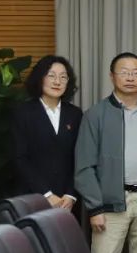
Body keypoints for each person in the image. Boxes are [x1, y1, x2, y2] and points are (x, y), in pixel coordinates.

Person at [74, 52, 137, 253]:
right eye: (124, 72)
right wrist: (95, 208)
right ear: (112, 76)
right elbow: (84, 166)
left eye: (136, 73)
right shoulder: (95, 115)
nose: (130, 78)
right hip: (110, 205)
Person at [11, 55, 83, 215]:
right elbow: (20, 158)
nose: (57, 82)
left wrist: (71, 194)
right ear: (40, 78)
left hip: (67, 202)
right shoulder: (23, 113)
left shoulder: (75, 114)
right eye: (51, 75)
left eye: (63, 77)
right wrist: (47, 194)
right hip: (31, 197)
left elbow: (80, 158)